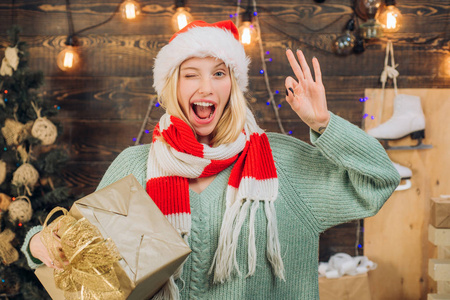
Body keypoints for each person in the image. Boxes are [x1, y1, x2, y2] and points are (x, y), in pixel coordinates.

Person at [23, 20, 400, 299]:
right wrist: (38, 243)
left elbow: (379, 181)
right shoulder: (134, 167)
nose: (206, 87)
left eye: (219, 73)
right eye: (192, 75)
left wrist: (324, 124)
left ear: (232, 86)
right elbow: (79, 261)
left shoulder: (280, 162)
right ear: (173, 87)